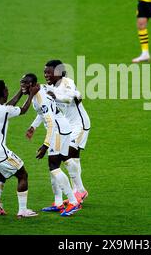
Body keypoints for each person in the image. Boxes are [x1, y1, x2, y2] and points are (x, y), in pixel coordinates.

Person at [21, 73, 82, 217]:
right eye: (21, 83)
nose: (23, 86)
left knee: (54, 166)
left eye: (26, 83)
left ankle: (73, 202)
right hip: (61, 129)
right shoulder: (39, 90)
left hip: (58, 131)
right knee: (58, 164)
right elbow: (43, 114)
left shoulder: (40, 98)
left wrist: (45, 145)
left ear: (34, 84)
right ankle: (59, 202)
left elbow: (51, 123)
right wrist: (33, 127)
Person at [0, 79, 38, 218]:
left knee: (3, 170)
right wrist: (31, 94)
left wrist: (21, 91)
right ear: (3, 92)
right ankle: (23, 210)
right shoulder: (4, 111)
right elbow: (23, 110)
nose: (8, 90)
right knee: (22, 174)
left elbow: (6, 106)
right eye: (6, 89)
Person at [43, 60, 90, 202]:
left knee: (68, 154)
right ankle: (77, 192)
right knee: (74, 159)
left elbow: (70, 99)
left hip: (79, 124)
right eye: (44, 72)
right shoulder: (49, 87)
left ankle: (80, 190)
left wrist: (56, 95)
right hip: (68, 126)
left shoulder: (66, 82)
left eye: (49, 72)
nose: (46, 75)